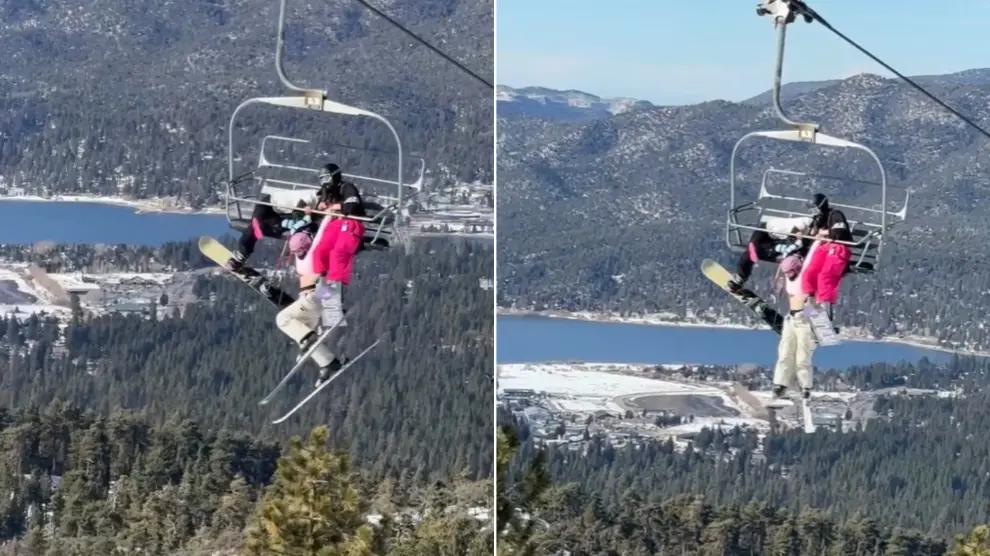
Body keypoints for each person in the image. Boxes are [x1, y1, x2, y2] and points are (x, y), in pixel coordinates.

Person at [274, 226, 344, 385]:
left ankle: (310, 342)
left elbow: (326, 275)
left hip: (315, 296)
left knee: (283, 319)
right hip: (319, 297)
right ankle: (328, 362)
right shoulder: (312, 253)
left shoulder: (314, 254)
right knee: (301, 332)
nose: (298, 255)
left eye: (298, 251)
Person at [800, 193, 853, 318]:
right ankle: (810, 309)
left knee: (826, 275)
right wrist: (814, 228)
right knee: (809, 273)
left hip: (838, 247)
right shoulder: (819, 219)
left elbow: (839, 231)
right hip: (824, 247)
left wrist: (823, 232)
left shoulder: (835, 215)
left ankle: (825, 310)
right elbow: (812, 233)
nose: (814, 212)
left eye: (815, 209)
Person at [771, 254, 815, 401]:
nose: (788, 275)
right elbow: (779, 279)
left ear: (796, 269)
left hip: (805, 321)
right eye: (786, 273)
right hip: (791, 318)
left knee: (802, 357)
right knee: (785, 352)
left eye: (789, 272)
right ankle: (780, 384)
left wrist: (807, 315)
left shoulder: (807, 278)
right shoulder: (789, 279)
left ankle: (805, 387)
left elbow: (816, 302)